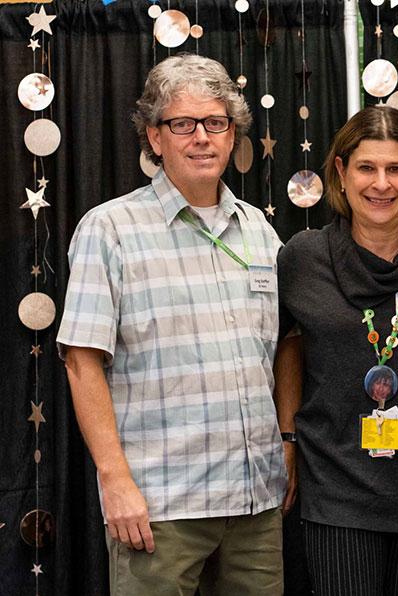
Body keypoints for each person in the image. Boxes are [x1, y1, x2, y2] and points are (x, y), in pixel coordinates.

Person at [58, 54, 285, 594]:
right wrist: (114, 482)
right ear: (154, 138)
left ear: (233, 134)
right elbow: (81, 361)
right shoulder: (110, 228)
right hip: (158, 508)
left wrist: (290, 444)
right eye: (182, 124)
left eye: (215, 122)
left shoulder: (260, 233)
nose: (201, 137)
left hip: (256, 504)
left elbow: (290, 345)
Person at [274, 105, 398, 596]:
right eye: (366, 167)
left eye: (395, 169)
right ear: (341, 172)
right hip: (337, 488)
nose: (380, 184)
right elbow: (287, 346)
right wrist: (287, 437)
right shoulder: (304, 257)